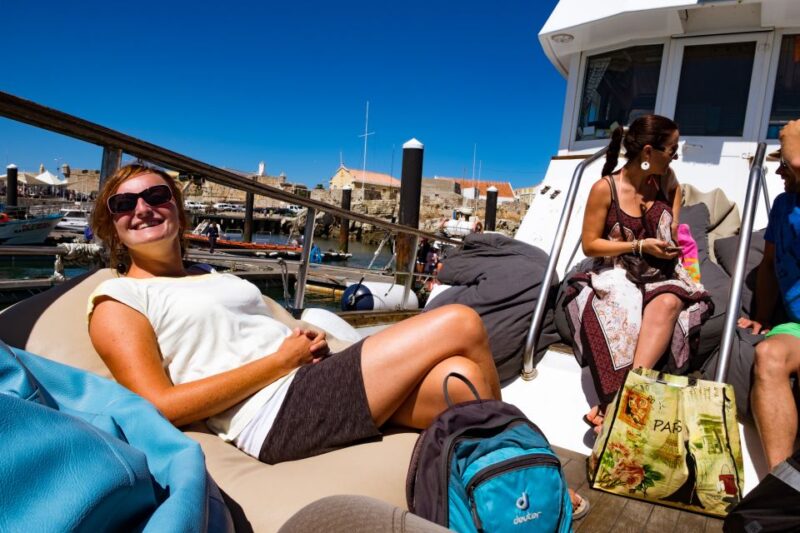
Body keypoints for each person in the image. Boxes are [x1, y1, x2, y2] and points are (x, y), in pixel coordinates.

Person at [87, 164, 503, 466]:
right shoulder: (119, 297)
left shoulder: (209, 274)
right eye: (124, 203)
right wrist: (281, 361)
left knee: (463, 379)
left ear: (177, 209)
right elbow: (158, 406)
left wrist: (304, 342)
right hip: (272, 413)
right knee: (460, 322)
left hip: (307, 379)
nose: (143, 208)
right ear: (111, 224)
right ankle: (528, 461)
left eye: (157, 196)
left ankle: (510, 479)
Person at [561, 115, 712, 431]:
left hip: (662, 271)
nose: (676, 155)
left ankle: (619, 404)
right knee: (619, 303)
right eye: (671, 149)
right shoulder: (605, 189)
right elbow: (590, 245)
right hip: (618, 267)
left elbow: (671, 233)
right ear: (648, 151)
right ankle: (618, 404)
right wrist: (640, 246)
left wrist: (669, 246)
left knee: (670, 303)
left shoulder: (668, 182)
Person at [740, 119, 800, 470]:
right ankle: (782, 486)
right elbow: (769, 266)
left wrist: (790, 132)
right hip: (795, 326)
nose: (779, 171)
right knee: (768, 355)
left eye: (784, 163)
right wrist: (763, 316)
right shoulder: (783, 204)